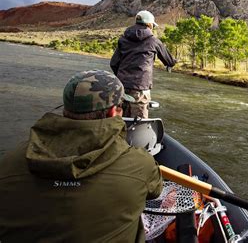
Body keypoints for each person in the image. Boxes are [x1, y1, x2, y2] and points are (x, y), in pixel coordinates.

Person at [0, 70, 163, 242]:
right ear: (114, 112)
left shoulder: (11, 161)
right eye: (122, 106)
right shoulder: (141, 164)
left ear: (66, 109)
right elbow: (155, 191)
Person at [110, 10, 176, 119]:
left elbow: (113, 63)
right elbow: (169, 61)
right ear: (150, 25)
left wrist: (122, 77)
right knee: (139, 123)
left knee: (120, 119)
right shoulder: (154, 41)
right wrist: (174, 62)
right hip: (140, 89)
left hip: (121, 87)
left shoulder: (123, 39)